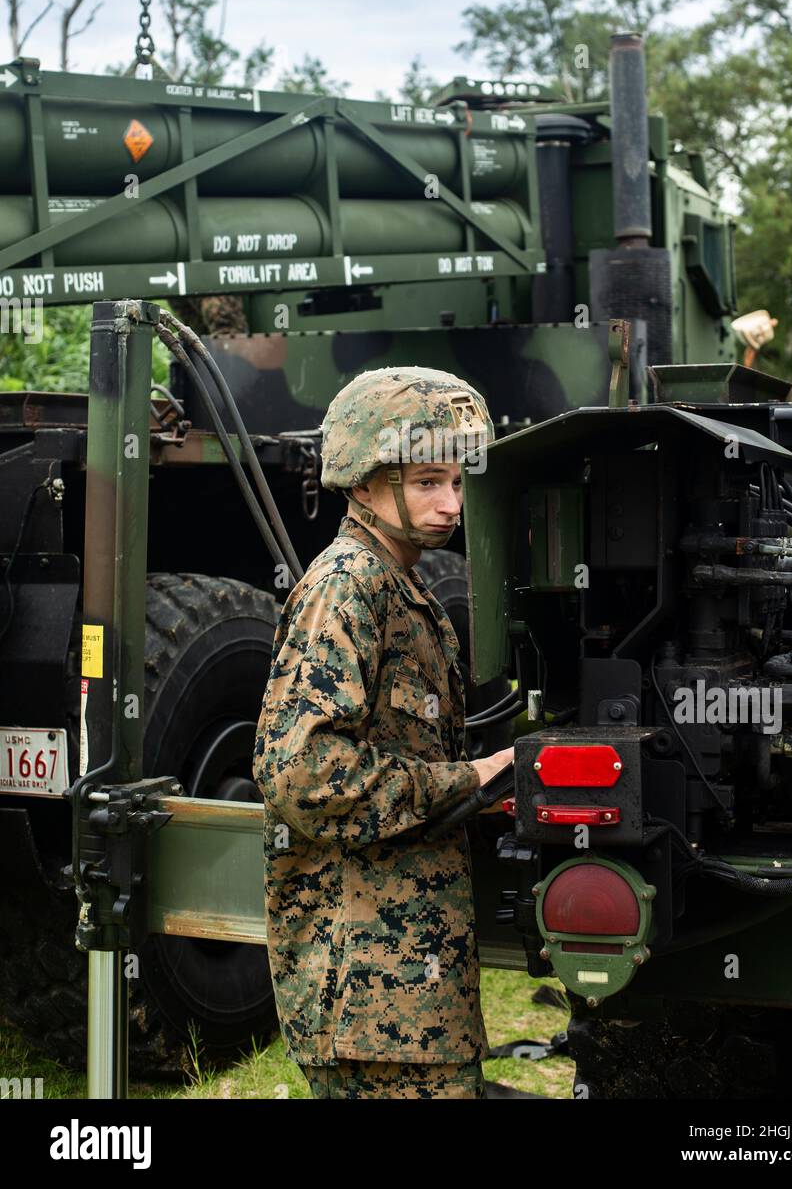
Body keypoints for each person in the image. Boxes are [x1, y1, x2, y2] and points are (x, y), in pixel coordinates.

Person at [253, 366, 514, 1100]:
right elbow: (303, 774)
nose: (451, 502)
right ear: (364, 484)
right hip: (366, 992)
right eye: (428, 481)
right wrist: (468, 779)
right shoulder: (348, 585)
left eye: (457, 482)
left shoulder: (402, 583)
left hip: (405, 989)